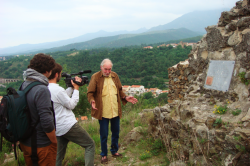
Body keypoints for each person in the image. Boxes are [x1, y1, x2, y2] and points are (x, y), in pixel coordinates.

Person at [87, 58, 138, 164]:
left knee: (115, 132)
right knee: (104, 134)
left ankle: (114, 151)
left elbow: (119, 90)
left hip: (115, 110)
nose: (107, 71)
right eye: (105, 69)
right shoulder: (95, 77)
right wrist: (92, 101)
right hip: (103, 112)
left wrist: (125, 98)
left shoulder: (115, 76)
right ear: (101, 67)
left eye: (109, 69)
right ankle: (104, 155)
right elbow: (90, 93)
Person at [48, 63, 95, 166]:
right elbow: (71, 104)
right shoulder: (57, 89)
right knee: (90, 145)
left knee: (58, 156)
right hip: (68, 125)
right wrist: (77, 89)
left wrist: (72, 87)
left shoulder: (46, 88)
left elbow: (62, 98)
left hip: (57, 127)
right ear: (57, 74)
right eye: (60, 73)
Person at [20, 53, 57, 166]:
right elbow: (46, 122)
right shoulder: (41, 89)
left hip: (26, 142)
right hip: (42, 145)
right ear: (47, 71)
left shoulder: (24, 84)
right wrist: (54, 141)